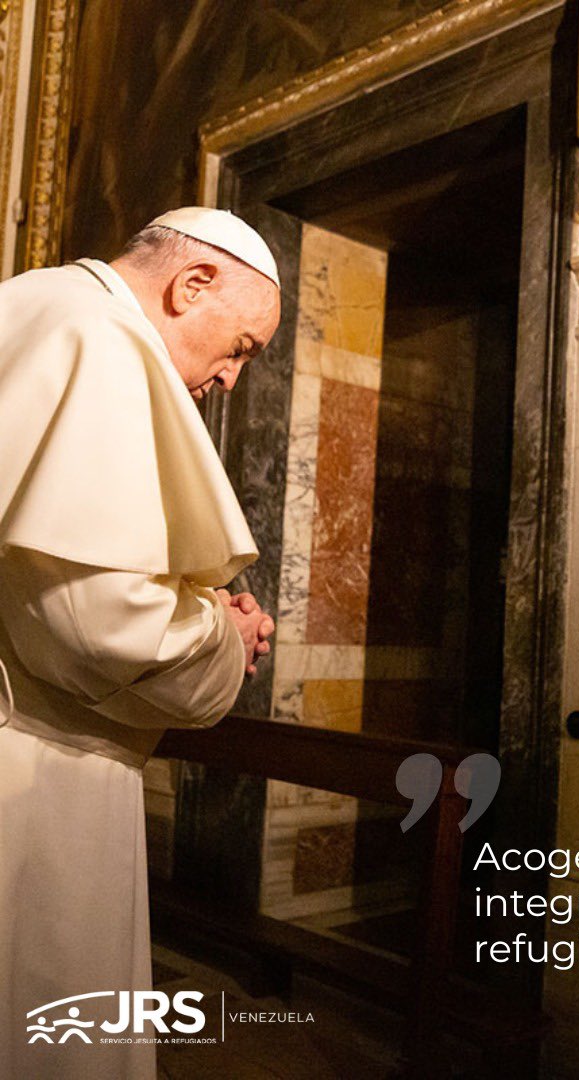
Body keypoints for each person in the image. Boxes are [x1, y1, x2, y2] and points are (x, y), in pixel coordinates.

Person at [0, 207, 281, 1079]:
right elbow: (101, 624)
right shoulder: (103, 343)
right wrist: (223, 637)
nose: (232, 377)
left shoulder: (29, 306)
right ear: (190, 285)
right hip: (38, 775)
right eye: (240, 345)